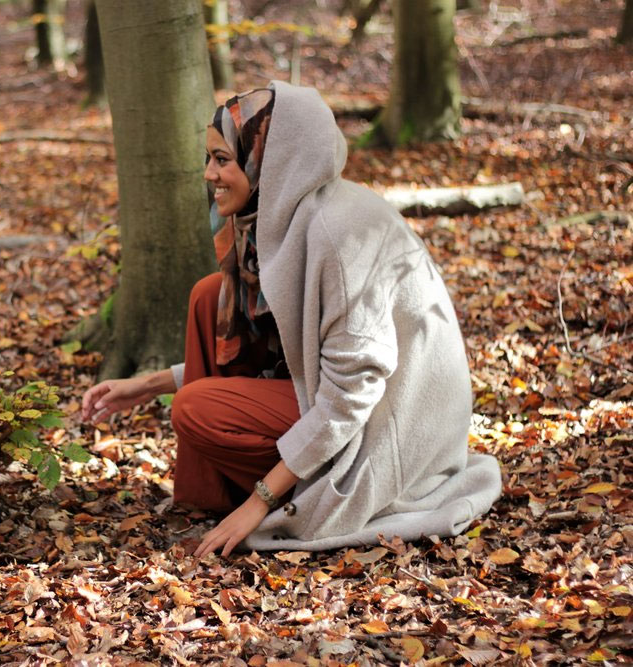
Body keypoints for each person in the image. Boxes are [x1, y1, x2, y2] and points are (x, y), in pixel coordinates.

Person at [81, 81, 502, 558]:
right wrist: (147, 384)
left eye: (224, 160)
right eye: (210, 159)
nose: (209, 175)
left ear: (268, 158)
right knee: (209, 297)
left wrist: (260, 503)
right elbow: (290, 344)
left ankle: (274, 491)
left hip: (388, 433)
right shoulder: (281, 219)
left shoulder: (339, 236)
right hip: (345, 398)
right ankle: (211, 492)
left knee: (194, 408)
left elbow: (352, 394)